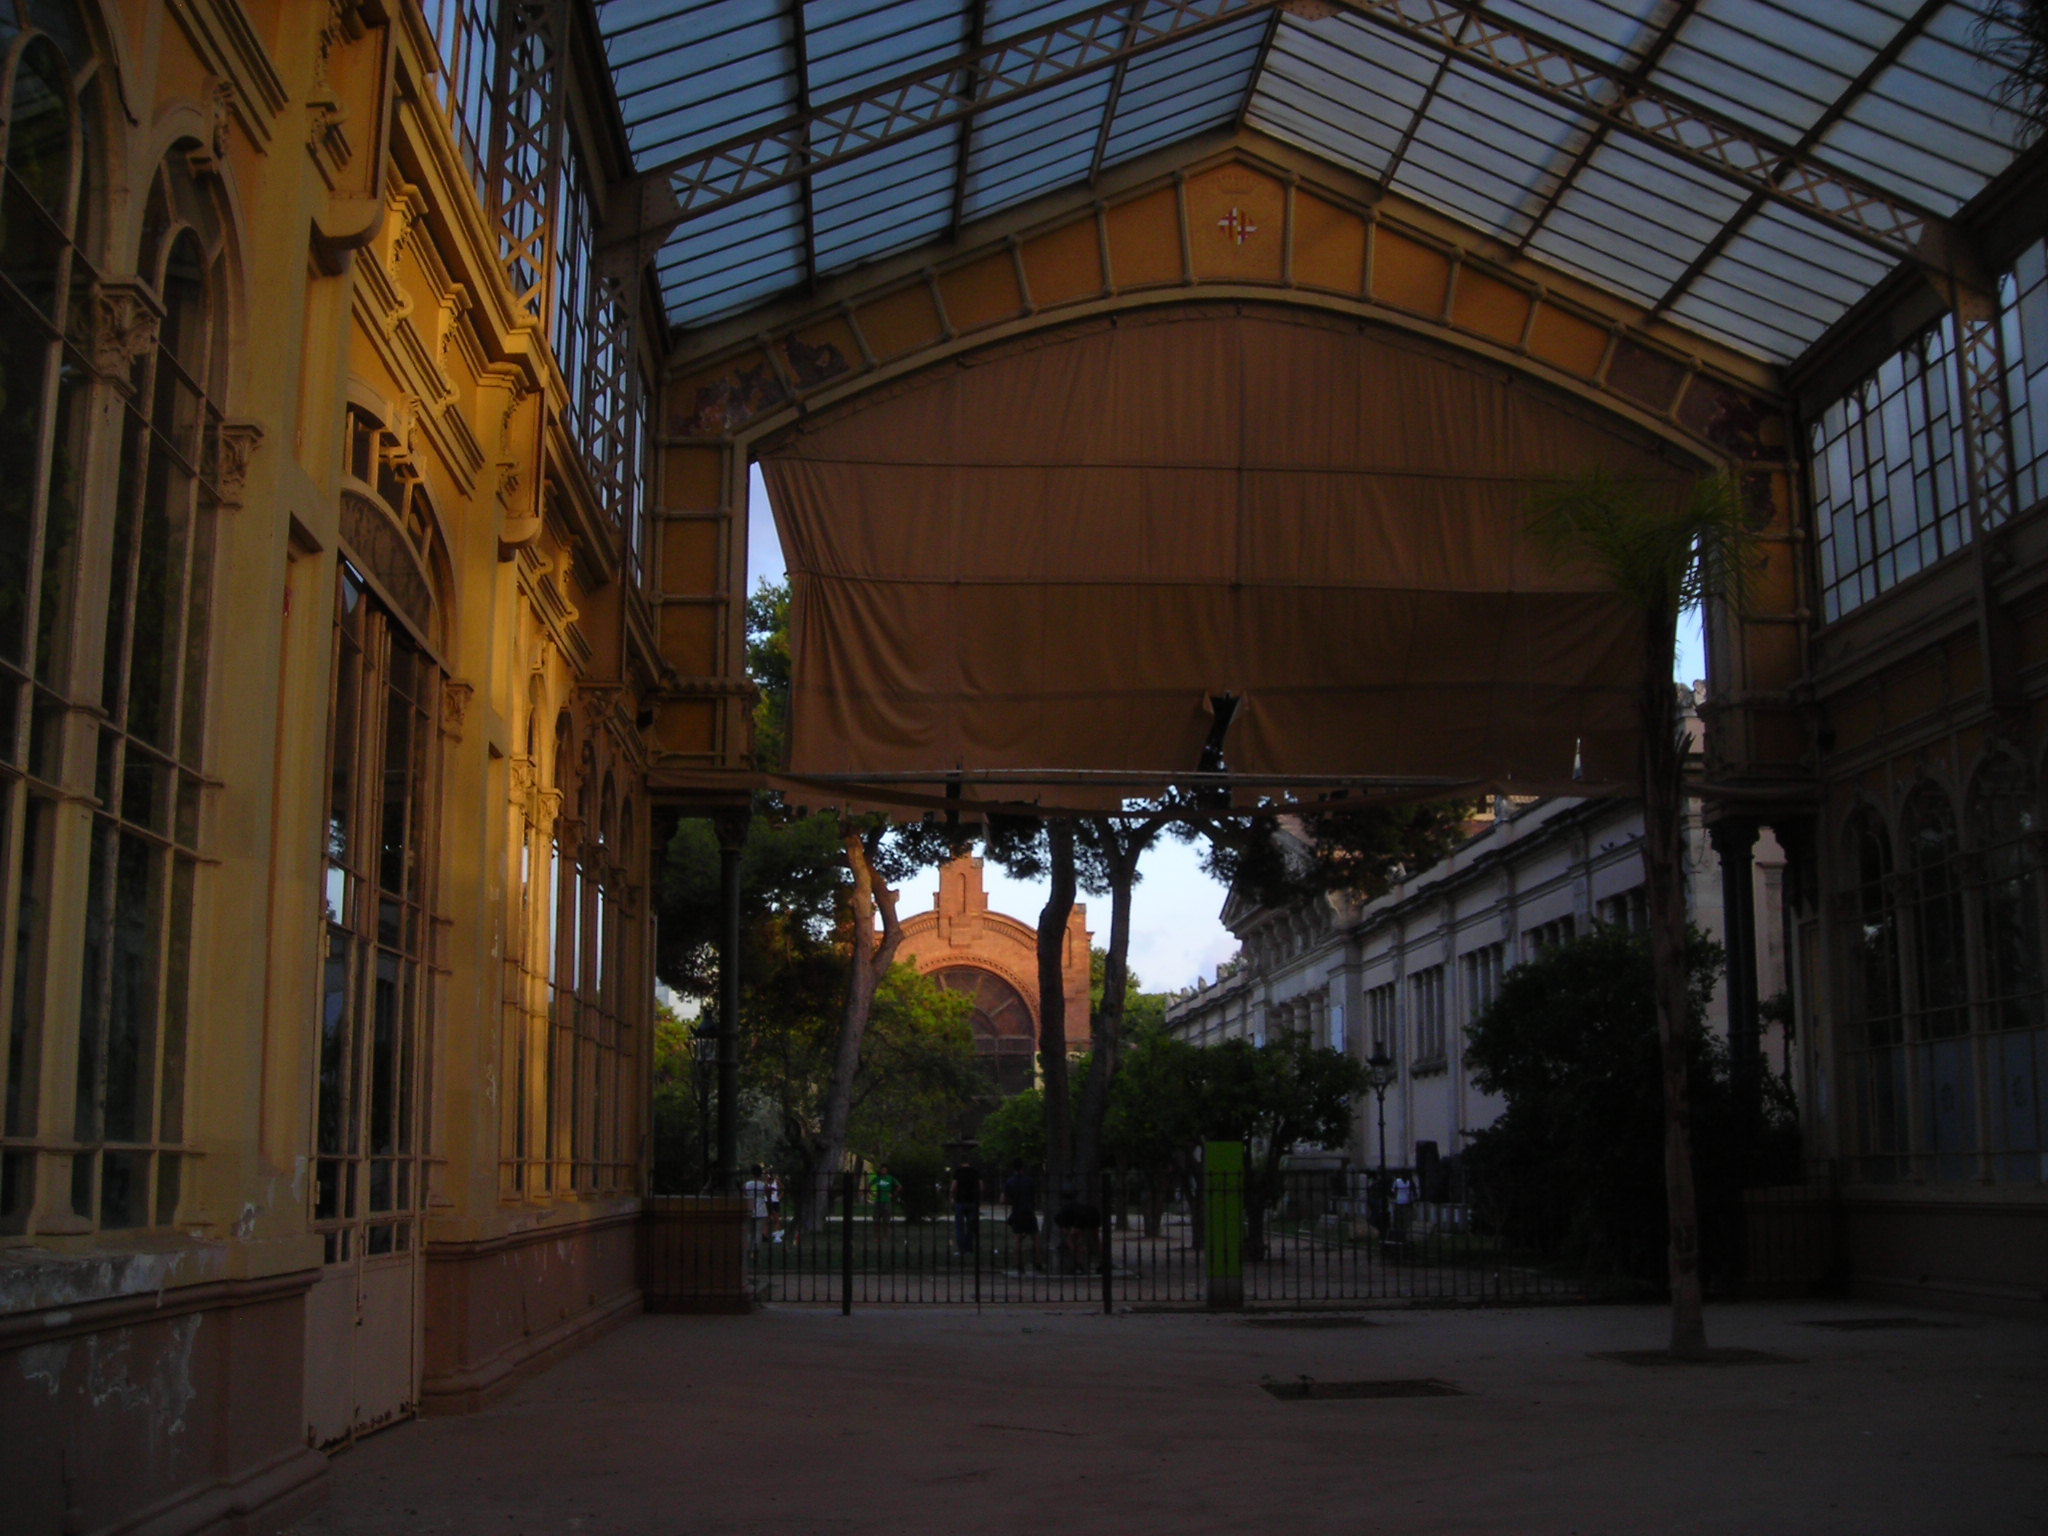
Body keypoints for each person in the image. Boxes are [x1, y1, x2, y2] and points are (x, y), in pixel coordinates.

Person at [1002, 1160, 1041, 1273]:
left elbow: (1004, 1199)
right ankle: (1038, 1263)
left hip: (1017, 1211)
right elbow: (1034, 1195)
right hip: (1028, 1211)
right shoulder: (1029, 1180)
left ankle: (1018, 1264)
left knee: (1017, 1239)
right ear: (1023, 1168)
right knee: (1036, 1237)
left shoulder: (1010, 1182)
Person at [951, 1161, 982, 1256]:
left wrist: (952, 1197)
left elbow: (953, 1187)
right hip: (972, 1201)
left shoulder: (958, 1172)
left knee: (959, 1227)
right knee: (970, 1227)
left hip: (960, 1201)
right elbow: (981, 1187)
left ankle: (961, 1249)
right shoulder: (975, 1172)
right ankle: (969, 1248)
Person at [742, 1164, 769, 1246]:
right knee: (758, 1231)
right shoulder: (763, 1185)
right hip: (761, 1209)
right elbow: (768, 1195)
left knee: (750, 1232)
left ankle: (749, 1247)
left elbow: (744, 1194)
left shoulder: (747, 1184)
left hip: (750, 1208)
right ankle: (756, 1249)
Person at [870, 1164, 900, 1231]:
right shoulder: (877, 1178)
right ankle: (877, 1236)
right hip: (878, 1201)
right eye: (882, 1170)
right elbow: (869, 1186)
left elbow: (899, 1186)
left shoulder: (890, 1178)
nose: (883, 1171)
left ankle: (886, 1235)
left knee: (886, 1220)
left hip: (887, 1201)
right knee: (876, 1220)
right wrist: (872, 1194)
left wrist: (892, 1194)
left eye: (885, 1170)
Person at [1391, 1173, 1415, 1241]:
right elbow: (1394, 1191)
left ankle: (1403, 1234)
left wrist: (1411, 1201)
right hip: (1399, 1202)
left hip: (1406, 1203)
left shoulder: (1409, 1182)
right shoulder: (1397, 1181)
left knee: (1404, 1219)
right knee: (1399, 1219)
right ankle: (1398, 1234)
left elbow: (1411, 1192)